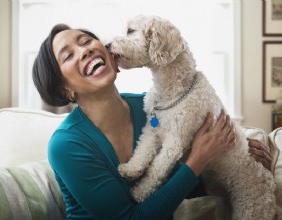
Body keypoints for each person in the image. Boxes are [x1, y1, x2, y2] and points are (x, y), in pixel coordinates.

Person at [32, 24, 272, 220]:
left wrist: (230, 151)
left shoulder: (154, 108)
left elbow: (180, 185)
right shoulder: (67, 144)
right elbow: (129, 217)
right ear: (65, 90)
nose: (85, 50)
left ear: (112, 56)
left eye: (86, 41)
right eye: (69, 55)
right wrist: (198, 159)